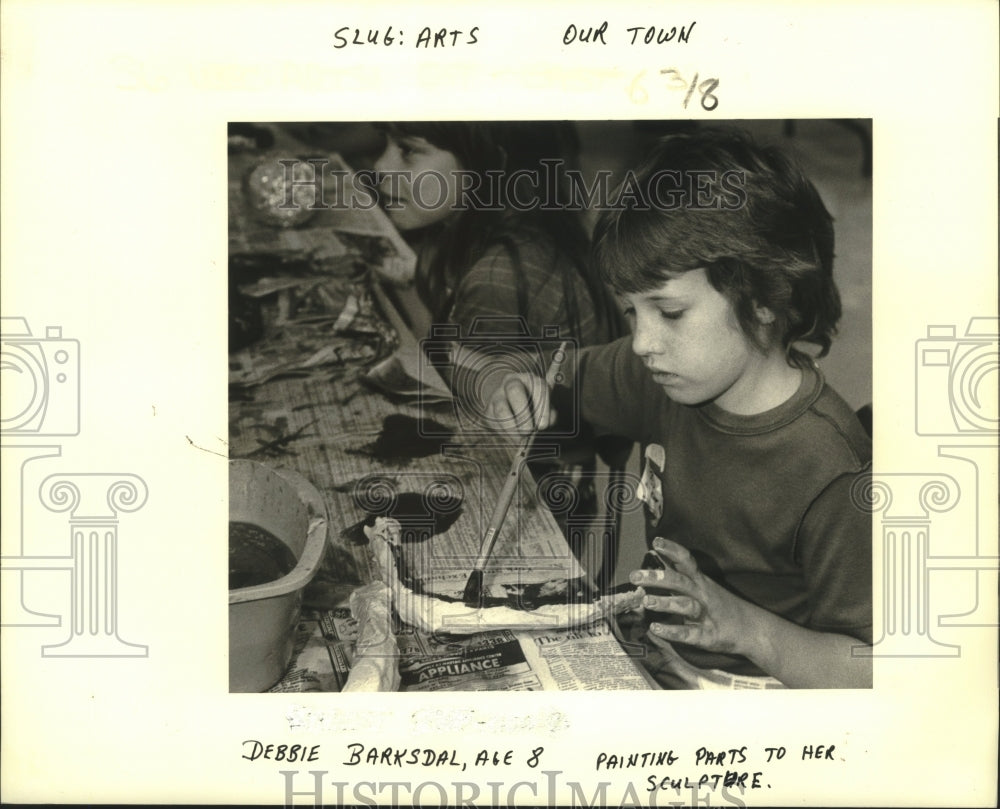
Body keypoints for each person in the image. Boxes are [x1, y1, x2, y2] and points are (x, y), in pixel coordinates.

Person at [485, 129, 873, 689]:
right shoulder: (665, 374)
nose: (643, 342)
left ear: (764, 299)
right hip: (666, 658)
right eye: (630, 313)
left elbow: (870, 671)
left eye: (669, 313)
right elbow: (551, 376)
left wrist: (744, 628)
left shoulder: (832, 469)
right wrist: (515, 386)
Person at [373, 121, 629, 558]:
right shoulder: (514, 228)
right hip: (551, 471)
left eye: (409, 150)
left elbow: (470, 407)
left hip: (537, 501)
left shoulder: (500, 271)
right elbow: (453, 356)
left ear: (487, 165)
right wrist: (409, 287)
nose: (380, 167)